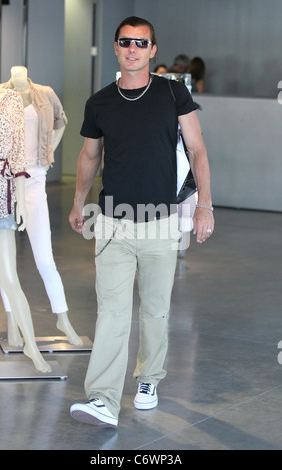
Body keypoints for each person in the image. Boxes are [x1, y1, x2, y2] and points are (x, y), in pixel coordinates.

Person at [69, 16, 214, 427]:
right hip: (112, 222)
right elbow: (89, 156)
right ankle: (103, 399)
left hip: (160, 221)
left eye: (141, 42)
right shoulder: (99, 102)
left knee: (154, 310)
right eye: (125, 42)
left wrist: (206, 204)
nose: (132, 48)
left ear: (152, 51)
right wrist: (79, 202)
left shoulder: (172, 95)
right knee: (111, 313)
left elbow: (198, 149)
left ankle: (148, 379)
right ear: (115, 48)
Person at [0, 66, 82, 347]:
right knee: (6, 264)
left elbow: (62, 122)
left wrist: (49, 154)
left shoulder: (44, 94)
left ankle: (63, 318)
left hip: (35, 178)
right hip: (3, 182)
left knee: (44, 257)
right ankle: (12, 321)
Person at [0, 71, 51, 373]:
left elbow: (17, 155)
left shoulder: (11, 100)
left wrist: (19, 200)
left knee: (10, 276)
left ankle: (31, 346)